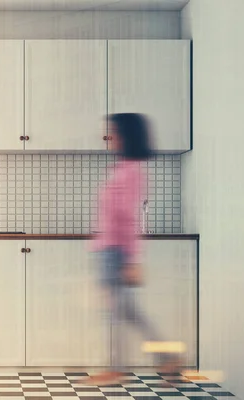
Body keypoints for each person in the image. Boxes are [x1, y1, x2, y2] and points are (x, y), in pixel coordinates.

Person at [85, 113, 181, 385]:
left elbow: (129, 217)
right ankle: (167, 359)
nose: (109, 137)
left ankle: (117, 367)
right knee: (126, 311)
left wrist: (132, 260)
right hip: (110, 250)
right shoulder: (124, 168)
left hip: (115, 252)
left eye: (113, 132)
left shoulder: (131, 171)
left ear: (126, 136)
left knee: (117, 312)